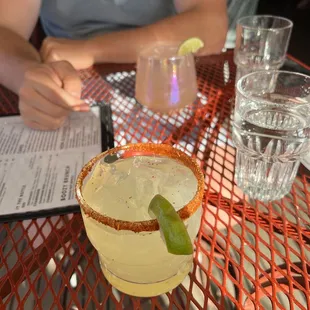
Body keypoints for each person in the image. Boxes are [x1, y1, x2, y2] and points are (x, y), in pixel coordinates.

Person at [0, 0, 228, 131]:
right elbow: (5, 29)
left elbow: (209, 24)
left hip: (161, 81)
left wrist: (92, 50)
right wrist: (30, 76)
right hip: (69, 85)